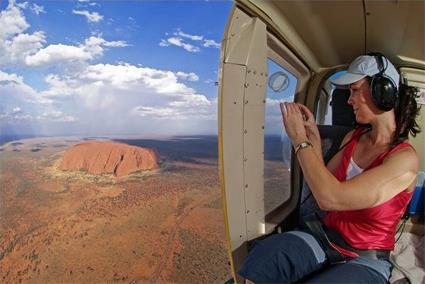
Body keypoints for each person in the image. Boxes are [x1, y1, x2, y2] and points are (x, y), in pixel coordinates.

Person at [238, 53, 421, 283]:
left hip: (365, 258)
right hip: (323, 238)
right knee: (260, 265)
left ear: (382, 91)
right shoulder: (352, 138)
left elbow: (330, 198)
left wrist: (299, 141)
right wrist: (312, 138)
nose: (349, 100)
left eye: (355, 90)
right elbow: (322, 181)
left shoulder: (404, 160)